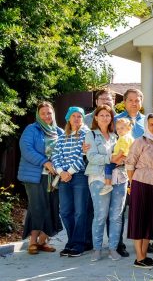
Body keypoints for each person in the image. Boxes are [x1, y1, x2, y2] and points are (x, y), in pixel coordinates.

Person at [18, 102, 63, 255]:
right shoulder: (32, 129)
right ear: (38, 115)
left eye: (49, 113)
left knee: (53, 208)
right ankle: (32, 242)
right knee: (37, 207)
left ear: (53, 114)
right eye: (43, 113)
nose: (46, 116)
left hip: (54, 178)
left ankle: (43, 241)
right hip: (35, 176)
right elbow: (26, 149)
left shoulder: (59, 132)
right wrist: (45, 162)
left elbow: (65, 151)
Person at [85, 105, 128, 262]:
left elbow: (124, 154)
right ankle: (97, 249)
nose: (105, 118)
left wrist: (123, 159)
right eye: (101, 115)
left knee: (116, 216)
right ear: (96, 117)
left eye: (108, 115)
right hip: (98, 178)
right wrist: (110, 159)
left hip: (119, 178)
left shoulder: (117, 136)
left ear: (112, 118)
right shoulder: (91, 135)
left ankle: (112, 248)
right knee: (100, 215)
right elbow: (92, 157)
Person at [125, 114, 153, 268]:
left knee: (149, 221)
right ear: (146, 125)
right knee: (140, 220)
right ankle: (139, 257)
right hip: (141, 183)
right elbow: (130, 163)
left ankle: (144, 255)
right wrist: (132, 184)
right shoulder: (140, 141)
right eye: (152, 124)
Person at [53, 107, 93, 257]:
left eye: (80, 116)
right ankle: (72, 241)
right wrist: (60, 172)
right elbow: (56, 155)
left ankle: (78, 244)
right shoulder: (63, 136)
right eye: (74, 116)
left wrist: (68, 172)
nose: (77, 119)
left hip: (79, 176)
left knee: (80, 211)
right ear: (68, 118)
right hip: (63, 177)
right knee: (65, 211)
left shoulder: (86, 134)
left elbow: (82, 155)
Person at [113, 88, 146, 257]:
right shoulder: (115, 120)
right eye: (130, 100)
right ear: (124, 102)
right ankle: (118, 243)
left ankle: (144, 242)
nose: (134, 103)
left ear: (141, 102)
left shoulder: (147, 121)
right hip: (120, 171)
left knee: (140, 208)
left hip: (141, 172)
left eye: (137, 100)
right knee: (119, 209)